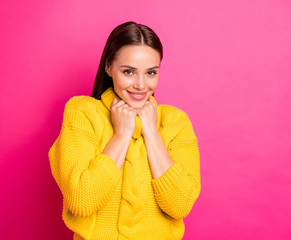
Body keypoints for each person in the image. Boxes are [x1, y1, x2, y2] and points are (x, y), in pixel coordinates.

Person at [49, 21, 201, 240]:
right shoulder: (82, 113)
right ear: (109, 67)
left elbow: (180, 206)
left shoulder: (176, 122)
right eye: (129, 71)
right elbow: (82, 200)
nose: (141, 85)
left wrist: (151, 132)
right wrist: (121, 134)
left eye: (151, 72)